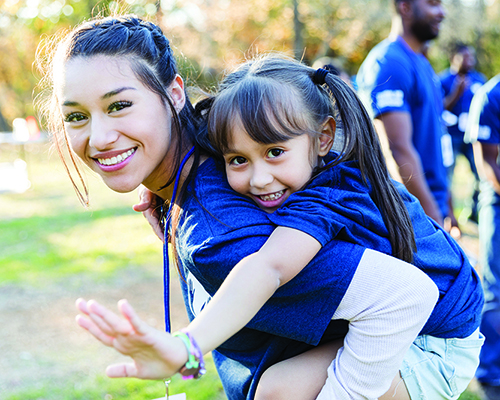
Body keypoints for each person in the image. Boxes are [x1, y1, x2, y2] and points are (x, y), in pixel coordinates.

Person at [36, 15, 481, 400]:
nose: (98, 137)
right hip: (437, 304)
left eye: (120, 105)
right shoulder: (231, 138)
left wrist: (187, 347)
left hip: (432, 333)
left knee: (277, 391)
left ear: (174, 94)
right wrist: (161, 190)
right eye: (76, 116)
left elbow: (400, 294)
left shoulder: (221, 234)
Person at [356, 0, 454, 229]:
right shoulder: (390, 63)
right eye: (433, 4)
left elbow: (435, 137)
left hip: (432, 207)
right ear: (406, 7)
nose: (443, 12)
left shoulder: (421, 61)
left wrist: (446, 205)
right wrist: (432, 222)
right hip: (413, 216)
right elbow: (397, 149)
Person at [465, 74, 500, 399]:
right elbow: (486, 162)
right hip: (498, 199)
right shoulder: (490, 96)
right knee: (495, 287)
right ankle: (492, 373)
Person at [440, 43, 486, 224]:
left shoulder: (479, 80)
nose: (470, 61)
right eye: (465, 57)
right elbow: (439, 109)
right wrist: (456, 93)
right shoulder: (443, 80)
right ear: (454, 58)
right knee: (448, 175)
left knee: (480, 173)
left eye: (471, 57)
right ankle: (447, 215)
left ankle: (474, 212)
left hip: (473, 136)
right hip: (451, 136)